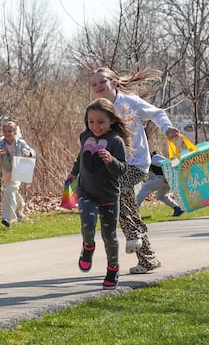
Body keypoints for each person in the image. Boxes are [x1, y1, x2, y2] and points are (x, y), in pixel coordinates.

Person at [89, 67, 181, 274]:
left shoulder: (128, 102)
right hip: (113, 165)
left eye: (101, 82)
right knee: (128, 207)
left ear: (113, 82)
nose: (97, 87)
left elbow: (157, 113)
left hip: (136, 163)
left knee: (114, 194)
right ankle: (148, 259)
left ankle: (133, 234)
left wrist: (167, 129)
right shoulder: (96, 108)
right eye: (93, 84)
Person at [68, 98, 131, 289]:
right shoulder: (84, 136)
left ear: (111, 120)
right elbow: (82, 157)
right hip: (86, 191)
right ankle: (88, 246)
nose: (95, 126)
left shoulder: (115, 141)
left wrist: (110, 160)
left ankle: (113, 268)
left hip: (108, 195)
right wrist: (73, 173)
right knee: (87, 225)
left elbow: (121, 169)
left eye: (101, 122)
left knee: (108, 235)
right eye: (91, 121)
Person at [0, 121, 36, 227]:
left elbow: (33, 152)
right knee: (12, 192)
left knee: (9, 191)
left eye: (10, 131)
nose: (7, 133)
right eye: (5, 131)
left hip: (18, 170)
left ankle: (8, 218)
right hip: (7, 171)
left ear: (15, 132)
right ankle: (19, 213)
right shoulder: (0, 144)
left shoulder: (21, 143)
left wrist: (28, 154)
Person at [135, 150, 184, 217]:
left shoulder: (154, 158)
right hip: (163, 179)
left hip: (163, 178)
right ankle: (177, 208)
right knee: (161, 196)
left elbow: (169, 164)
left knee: (144, 190)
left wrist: (167, 177)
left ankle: (134, 211)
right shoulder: (148, 159)